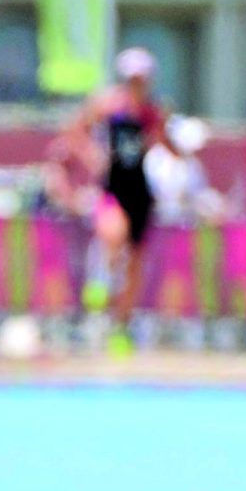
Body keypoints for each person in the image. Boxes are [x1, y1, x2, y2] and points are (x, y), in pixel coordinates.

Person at [59, 46, 177, 353]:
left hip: (140, 190)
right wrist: (91, 155)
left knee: (135, 262)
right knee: (113, 234)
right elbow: (75, 132)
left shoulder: (152, 113)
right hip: (112, 187)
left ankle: (122, 326)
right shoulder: (108, 107)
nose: (137, 84)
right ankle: (100, 279)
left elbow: (167, 145)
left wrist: (172, 143)